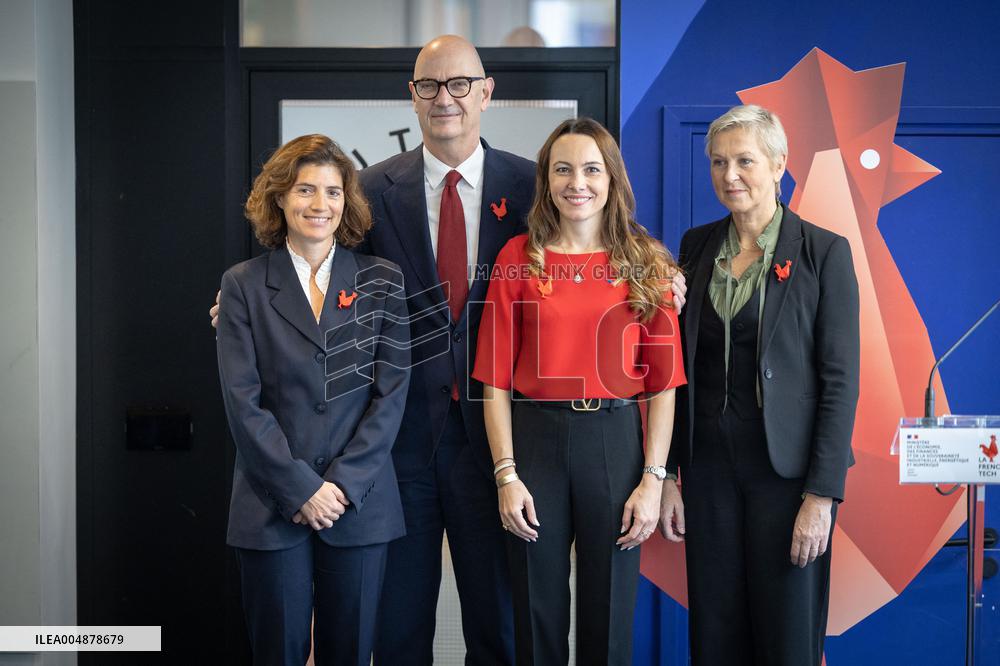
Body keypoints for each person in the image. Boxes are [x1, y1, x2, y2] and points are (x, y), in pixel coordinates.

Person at [211, 34, 688, 663]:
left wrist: (664, 274)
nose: (447, 98)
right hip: (395, 442)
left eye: (460, 84)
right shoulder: (369, 192)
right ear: (413, 96)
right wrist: (246, 304)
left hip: (505, 446)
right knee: (397, 627)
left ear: (486, 92)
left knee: (502, 626)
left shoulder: (531, 187)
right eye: (431, 85)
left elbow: (597, 226)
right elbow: (319, 266)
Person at [472, 117, 686, 665]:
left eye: (592, 169)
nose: (577, 182)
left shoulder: (647, 263)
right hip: (535, 442)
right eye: (562, 169)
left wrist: (654, 480)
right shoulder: (517, 257)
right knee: (536, 613)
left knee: (610, 615)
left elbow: (663, 385)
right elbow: (493, 378)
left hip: (616, 443)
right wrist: (506, 473)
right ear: (545, 180)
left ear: (612, 179)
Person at [657, 105, 859, 666]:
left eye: (745, 160)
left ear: (778, 165)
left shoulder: (823, 252)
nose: (730, 175)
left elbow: (841, 381)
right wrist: (671, 475)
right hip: (709, 472)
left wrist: (822, 495)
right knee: (716, 637)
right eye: (719, 162)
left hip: (788, 480)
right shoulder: (694, 248)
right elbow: (676, 370)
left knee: (787, 637)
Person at [216, 134, 410, 666]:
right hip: (272, 506)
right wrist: (302, 488)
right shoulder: (244, 286)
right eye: (305, 189)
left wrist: (341, 487)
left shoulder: (382, 282)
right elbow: (242, 403)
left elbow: (390, 397)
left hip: (360, 505)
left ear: (347, 200)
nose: (319, 205)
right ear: (280, 197)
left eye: (332, 191)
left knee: (350, 653)